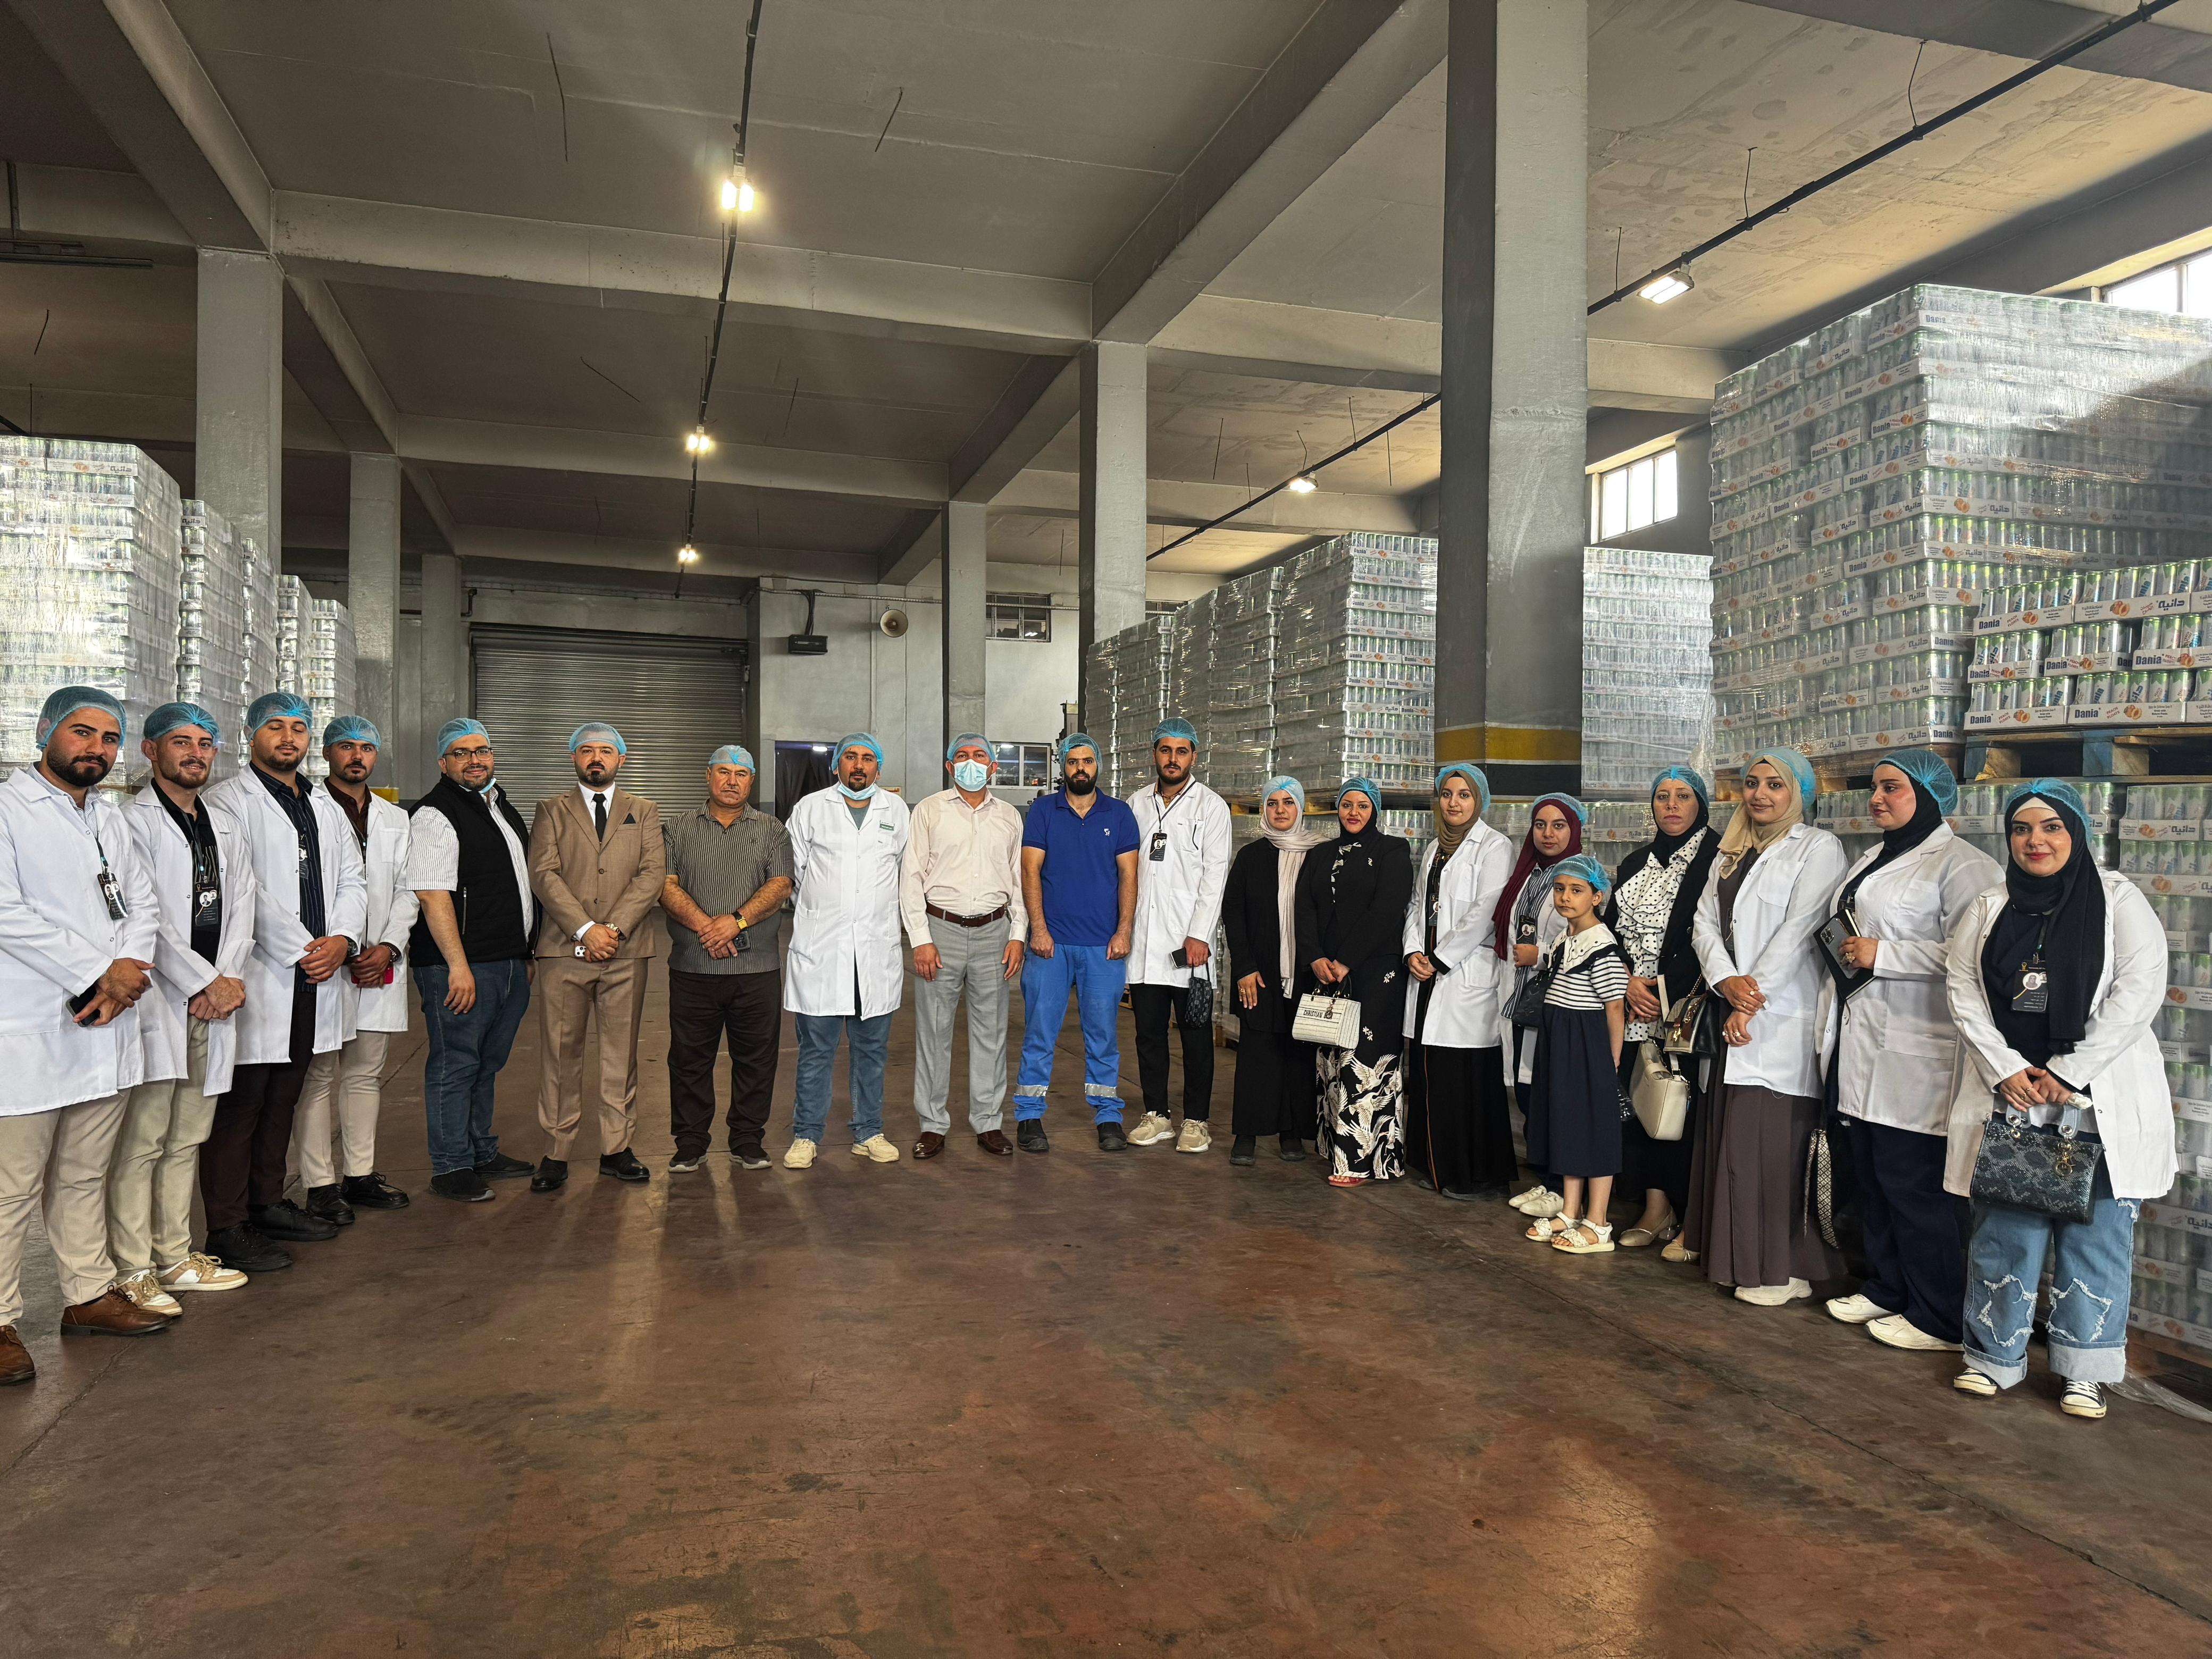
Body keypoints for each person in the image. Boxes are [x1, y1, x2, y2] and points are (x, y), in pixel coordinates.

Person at [1944, 780, 2174, 1420]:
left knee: (2094, 1237)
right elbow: (1961, 989)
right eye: (2021, 828)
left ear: (2075, 833)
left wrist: (2069, 1071)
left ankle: (2083, 1371)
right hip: (2014, 1099)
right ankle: (1990, 1359)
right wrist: (2004, 1068)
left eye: (2050, 827)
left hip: (2093, 1102)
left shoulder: (2118, 900)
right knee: (2005, 1233)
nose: (2035, 841)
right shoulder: (1989, 906)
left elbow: (2138, 991)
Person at [0, 687, 171, 1384]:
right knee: (12, 1185)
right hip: (30, 1024)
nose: (96, 748)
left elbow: (142, 902)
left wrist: (126, 969)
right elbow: (6, 910)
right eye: (82, 732)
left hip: (108, 1020)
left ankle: (88, 1294)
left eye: (109, 738)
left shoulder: (109, 816)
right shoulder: (7, 809)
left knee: (83, 1173)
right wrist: (99, 970)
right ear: (46, 732)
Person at [1822, 749, 1998, 1351]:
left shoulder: (1963, 865)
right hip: (1865, 1039)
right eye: (1874, 788)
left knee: (1915, 1185)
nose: (1877, 799)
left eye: (1891, 788)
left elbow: (1977, 952)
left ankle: (1938, 1316)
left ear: (1926, 794)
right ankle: (1887, 1287)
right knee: (1874, 1177)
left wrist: (1886, 955)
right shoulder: (1874, 857)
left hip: (1922, 1048)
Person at [203, 692, 367, 1266]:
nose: (289, 737)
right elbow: (241, 886)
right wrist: (304, 949)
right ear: (251, 735)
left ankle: (267, 1202)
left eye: (298, 728)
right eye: (275, 727)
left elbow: (353, 878)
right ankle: (227, 1225)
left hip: (315, 974)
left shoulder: (321, 803)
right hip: (260, 970)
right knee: (242, 1104)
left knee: (283, 1098)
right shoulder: (227, 800)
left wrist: (342, 939)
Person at [1686, 746, 1850, 1306]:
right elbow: (1703, 922)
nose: (1759, 794)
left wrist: (1748, 998)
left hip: (1776, 1018)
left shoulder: (1818, 848)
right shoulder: (1732, 849)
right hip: (1733, 1006)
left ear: (1798, 793)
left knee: (1772, 1148)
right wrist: (1724, 981)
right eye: (1752, 783)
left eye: (1775, 785)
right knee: (1735, 1145)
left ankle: (1783, 1270)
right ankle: (1741, 1261)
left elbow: (1801, 930)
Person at [110, 703, 256, 1316]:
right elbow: (145, 918)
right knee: (143, 1139)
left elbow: (243, 901)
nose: (196, 754)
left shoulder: (223, 823)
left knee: (187, 1136)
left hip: (213, 1001)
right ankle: (132, 1268)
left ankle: (174, 1256)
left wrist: (230, 977)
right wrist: (203, 980)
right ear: (150, 750)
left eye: (204, 744)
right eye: (181, 742)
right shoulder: (130, 823)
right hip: (161, 999)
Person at [527, 722, 665, 1189]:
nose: (596, 758)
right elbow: (543, 874)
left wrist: (614, 930)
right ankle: (557, 1152)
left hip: (626, 952)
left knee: (620, 1055)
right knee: (560, 1053)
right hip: (564, 951)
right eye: (587, 750)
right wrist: (586, 929)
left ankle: (617, 1149)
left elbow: (652, 874)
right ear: (574, 758)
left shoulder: (644, 811)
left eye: (606, 751)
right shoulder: (551, 811)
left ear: (621, 760)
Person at [405, 717, 538, 1202]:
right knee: (456, 1063)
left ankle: (481, 1150)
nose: (475, 760)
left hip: (506, 960)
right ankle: (451, 1166)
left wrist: (524, 952)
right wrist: (457, 967)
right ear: (444, 763)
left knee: (486, 1062)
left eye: (482, 750)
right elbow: (432, 894)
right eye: (461, 753)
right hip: (459, 966)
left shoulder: (501, 807)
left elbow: (517, 884)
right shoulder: (435, 814)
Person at [292, 715, 415, 1225]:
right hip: (325, 960)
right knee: (318, 1076)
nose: (357, 756)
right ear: (326, 753)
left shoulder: (396, 818)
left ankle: (360, 1174)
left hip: (377, 965)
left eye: (366, 747)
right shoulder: (306, 808)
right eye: (346, 746)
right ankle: (320, 1185)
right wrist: (340, 946)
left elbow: (409, 889)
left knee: (365, 1074)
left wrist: (389, 945)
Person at [660, 744, 793, 1173]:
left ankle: (748, 1139)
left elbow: (780, 885)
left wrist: (734, 923)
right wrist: (708, 927)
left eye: (741, 774)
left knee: (756, 1059)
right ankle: (691, 1142)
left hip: (756, 969)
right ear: (708, 776)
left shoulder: (772, 830)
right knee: (689, 1060)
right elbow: (665, 885)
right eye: (724, 772)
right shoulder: (677, 828)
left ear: (751, 781)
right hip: (693, 968)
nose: (732, 781)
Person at [1603, 766, 1721, 1249]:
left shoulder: (1718, 857)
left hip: (1686, 1004)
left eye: (1683, 796)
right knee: (1643, 1100)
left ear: (1701, 805)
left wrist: (1664, 990)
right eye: (1662, 797)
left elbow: (1711, 934)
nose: (1671, 805)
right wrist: (1629, 982)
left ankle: (1691, 1215)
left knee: (1686, 1108)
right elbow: (1611, 929)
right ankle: (1655, 1206)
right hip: (1633, 1004)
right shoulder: (1636, 862)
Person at [783, 733, 910, 1168]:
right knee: (816, 1051)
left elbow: (905, 873)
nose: (859, 765)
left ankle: (868, 1131)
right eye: (851, 757)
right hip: (823, 951)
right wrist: (825, 911)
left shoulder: (897, 811)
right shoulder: (810, 808)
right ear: (836, 765)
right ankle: (806, 1135)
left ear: (879, 767)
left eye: (868, 758)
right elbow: (793, 875)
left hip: (875, 952)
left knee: (871, 1052)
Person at [900, 733, 1026, 1161]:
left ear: (993, 767)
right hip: (941, 931)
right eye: (963, 756)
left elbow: (1019, 880)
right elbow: (911, 877)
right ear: (950, 766)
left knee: (992, 1033)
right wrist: (921, 940)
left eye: (980, 756)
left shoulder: (1009, 816)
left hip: (994, 932)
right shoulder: (929, 810)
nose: (971, 763)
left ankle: (988, 1122)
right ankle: (932, 1124)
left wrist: (1018, 934)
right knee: (933, 1033)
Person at [1015, 733, 1139, 1153]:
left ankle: (1108, 1117)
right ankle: (1029, 1115)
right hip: (1050, 946)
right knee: (1039, 1031)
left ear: (1097, 765)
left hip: (1102, 947)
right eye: (1073, 762)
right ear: (1063, 767)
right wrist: (1039, 929)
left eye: (1087, 761)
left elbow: (1129, 875)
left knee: (1102, 1035)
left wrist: (1123, 931)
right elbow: (1030, 871)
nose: (1080, 768)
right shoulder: (1043, 812)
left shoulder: (1119, 814)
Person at [1403, 763, 1515, 1199]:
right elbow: (1418, 904)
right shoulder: (1435, 847)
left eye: (1464, 795)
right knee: (1431, 1072)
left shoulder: (1495, 846)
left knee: (1465, 1080)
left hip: (1463, 974)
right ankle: (1435, 1165)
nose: (1454, 803)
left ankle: (1473, 1175)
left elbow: (1486, 911)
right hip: (1428, 972)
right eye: (1447, 794)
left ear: (1479, 800)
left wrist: (1439, 958)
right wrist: (1413, 950)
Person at [1297, 778, 1414, 1187]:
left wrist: (1346, 960)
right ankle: (1336, 1150)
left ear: (1375, 811)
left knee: (1365, 1060)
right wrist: (1315, 957)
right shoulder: (1321, 853)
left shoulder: (1393, 851)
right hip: (1327, 972)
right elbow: (1304, 907)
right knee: (1333, 1058)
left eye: (1363, 806)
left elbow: (1387, 910)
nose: (1354, 812)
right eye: (1347, 804)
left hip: (1375, 972)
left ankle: (1364, 1162)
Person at [1124, 717, 1232, 1154]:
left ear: (1194, 756)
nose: (1173, 759)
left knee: (1195, 1036)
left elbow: (1215, 876)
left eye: (1181, 751)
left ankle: (1196, 1120)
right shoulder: (1136, 804)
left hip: (1190, 946)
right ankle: (1157, 1114)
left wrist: (1200, 935)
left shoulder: (1211, 807)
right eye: (1165, 750)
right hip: (1145, 943)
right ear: (1154, 753)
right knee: (1148, 1035)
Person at [1523, 854, 1629, 1255]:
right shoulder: (1564, 940)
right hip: (1560, 1040)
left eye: (1577, 890)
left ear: (1597, 897)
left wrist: (1611, 1060)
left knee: (1595, 1129)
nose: (1565, 897)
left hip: (1587, 1045)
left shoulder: (1602, 947)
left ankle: (1598, 1223)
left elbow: (1615, 1008)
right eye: (1560, 889)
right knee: (1567, 1124)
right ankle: (1570, 1211)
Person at [1222, 778, 1326, 1164]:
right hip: (1260, 974)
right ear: (1264, 809)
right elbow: (1233, 914)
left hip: (1306, 972)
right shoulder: (1250, 857)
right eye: (1272, 803)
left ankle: (1291, 1133)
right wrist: (1244, 968)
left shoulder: (1320, 854)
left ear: (1300, 808)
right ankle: (1246, 1135)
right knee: (1256, 1054)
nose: (1280, 810)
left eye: (1288, 802)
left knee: (1298, 1054)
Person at [1499, 793, 1588, 1220]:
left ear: (1575, 829)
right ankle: (1544, 1177)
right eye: (1540, 825)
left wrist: (1542, 956)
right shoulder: (1529, 874)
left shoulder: (1581, 875)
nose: (1548, 834)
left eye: (1559, 825)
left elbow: (1589, 939)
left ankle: (1561, 1186)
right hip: (1523, 1000)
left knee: (1554, 1096)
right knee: (1529, 1093)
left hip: (1561, 1004)